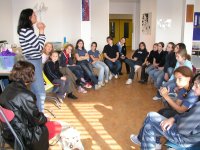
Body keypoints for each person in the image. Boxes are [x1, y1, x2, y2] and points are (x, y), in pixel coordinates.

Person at [0, 61, 62, 150]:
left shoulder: (8, 88)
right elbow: (36, 119)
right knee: (56, 126)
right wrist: (45, 118)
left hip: (8, 131)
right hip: (24, 136)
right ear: (30, 75)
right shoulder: (26, 95)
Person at [130, 73, 200, 150]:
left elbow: (182, 129)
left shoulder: (197, 104)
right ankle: (153, 143)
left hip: (185, 139)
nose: (193, 88)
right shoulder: (186, 91)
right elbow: (186, 114)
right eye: (194, 84)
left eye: (196, 85)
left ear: (188, 78)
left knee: (151, 115)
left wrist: (166, 96)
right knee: (148, 127)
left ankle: (142, 140)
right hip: (188, 132)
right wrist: (174, 118)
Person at [17, 8, 46, 112]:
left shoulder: (25, 30)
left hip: (33, 60)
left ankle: (36, 113)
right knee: (40, 91)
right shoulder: (27, 30)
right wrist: (42, 31)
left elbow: (36, 46)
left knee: (34, 89)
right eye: (34, 15)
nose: (36, 17)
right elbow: (39, 47)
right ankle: (41, 115)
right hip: (33, 61)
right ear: (29, 17)